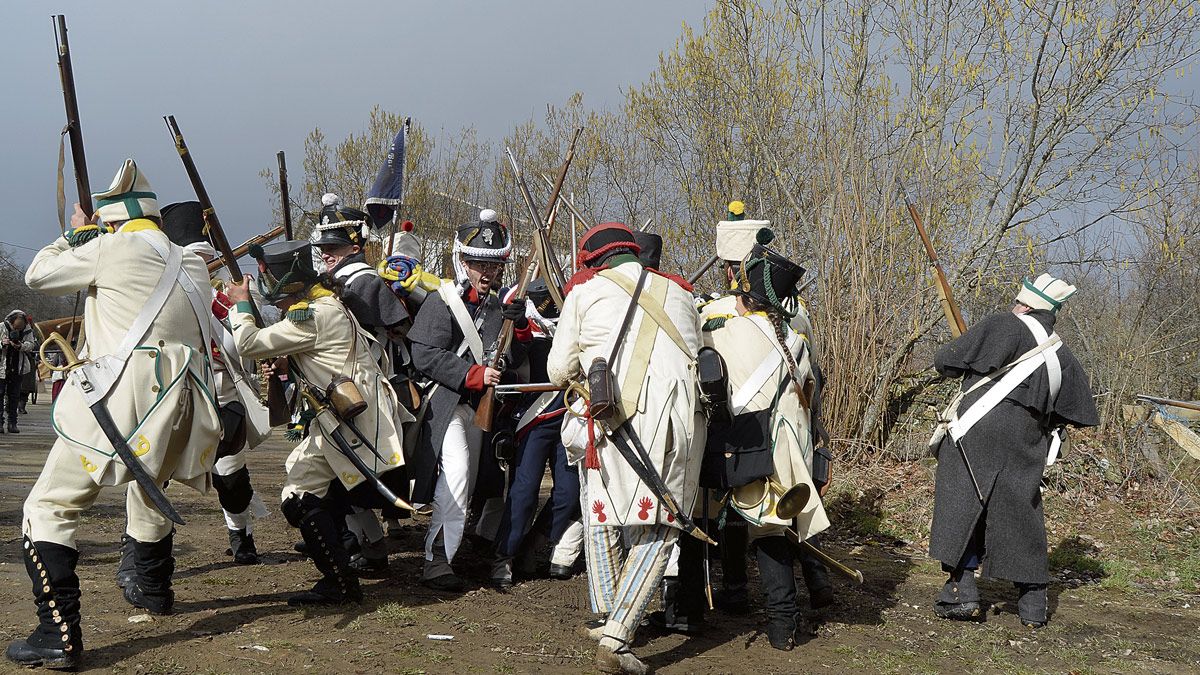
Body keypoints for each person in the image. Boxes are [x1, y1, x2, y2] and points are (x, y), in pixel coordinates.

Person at [9, 159, 222, 668]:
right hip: (182, 405)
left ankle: (56, 633)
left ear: (112, 220)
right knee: (148, 492)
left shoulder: (110, 246)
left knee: (47, 507)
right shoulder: (190, 260)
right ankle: (152, 590)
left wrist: (78, 235)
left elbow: (38, 273)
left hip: (119, 400)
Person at [548, 222, 704, 675]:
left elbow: (559, 371)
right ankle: (617, 624)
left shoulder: (584, 292)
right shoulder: (680, 294)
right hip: (672, 424)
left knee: (604, 515)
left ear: (594, 261)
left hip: (605, 418)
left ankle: (612, 630)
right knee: (656, 527)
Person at [225, 239, 411, 606]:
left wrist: (240, 304)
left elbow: (247, 342)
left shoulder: (313, 315)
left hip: (348, 428)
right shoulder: (326, 305)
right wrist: (286, 359)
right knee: (306, 494)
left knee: (301, 498)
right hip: (344, 424)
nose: (276, 304)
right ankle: (345, 569)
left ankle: (341, 581)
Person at [929, 273, 1098, 628]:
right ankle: (1033, 606)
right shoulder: (1061, 354)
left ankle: (962, 592)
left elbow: (945, 361)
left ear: (1024, 304)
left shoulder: (1002, 324)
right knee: (1021, 513)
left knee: (963, 505)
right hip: (1026, 442)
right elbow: (1079, 412)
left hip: (972, 431)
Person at [693, 202, 833, 619]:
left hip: (740, 428)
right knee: (788, 511)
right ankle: (816, 583)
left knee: (739, 513)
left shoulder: (717, 314)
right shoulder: (797, 312)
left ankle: (735, 591)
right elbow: (811, 375)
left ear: (731, 269)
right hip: (794, 422)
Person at [407, 209, 530, 592]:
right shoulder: (442, 300)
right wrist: (473, 375)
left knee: (479, 480)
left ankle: (458, 548)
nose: (486, 272)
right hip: (447, 405)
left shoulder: (499, 308)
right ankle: (436, 559)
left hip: (482, 410)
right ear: (463, 261)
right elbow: (423, 352)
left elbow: (512, 361)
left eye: (493, 264)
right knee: (457, 475)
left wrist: (520, 325)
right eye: (479, 263)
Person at [158, 201, 270, 564]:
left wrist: (237, 307)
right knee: (155, 475)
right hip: (172, 395)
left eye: (207, 258)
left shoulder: (224, 298)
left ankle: (242, 537)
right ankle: (151, 552)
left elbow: (244, 346)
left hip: (222, 395)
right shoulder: (158, 296)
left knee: (230, 475)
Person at [311, 193, 413, 575]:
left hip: (360, 388)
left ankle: (365, 545)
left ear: (355, 245)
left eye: (334, 247)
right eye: (324, 246)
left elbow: (399, 328)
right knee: (339, 472)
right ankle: (357, 541)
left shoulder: (363, 281)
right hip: (335, 388)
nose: (326, 253)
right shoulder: (335, 281)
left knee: (347, 473)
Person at [489, 279, 582, 590]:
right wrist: (518, 325)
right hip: (533, 415)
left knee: (569, 495)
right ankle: (505, 555)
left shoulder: (577, 311)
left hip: (570, 414)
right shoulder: (522, 313)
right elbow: (511, 358)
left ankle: (532, 545)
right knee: (525, 491)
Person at [1, 310, 36, 433]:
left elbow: (32, 344)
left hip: (18, 366)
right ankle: (0, 423)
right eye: (16, 327)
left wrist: (21, 346)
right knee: (0, 395)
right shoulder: (2, 327)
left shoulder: (27, 330)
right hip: (2, 366)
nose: (18, 329)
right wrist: (2, 343)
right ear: (11, 321)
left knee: (14, 396)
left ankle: (12, 423)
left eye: (20, 327)